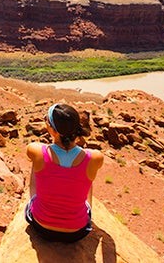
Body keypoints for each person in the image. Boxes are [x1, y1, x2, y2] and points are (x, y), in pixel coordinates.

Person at [25, 103, 104, 243]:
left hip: (41, 226)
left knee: (37, 164)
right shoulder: (94, 157)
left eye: (47, 120)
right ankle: (88, 209)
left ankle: (34, 201)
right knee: (88, 177)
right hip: (77, 232)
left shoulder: (35, 150)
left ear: (53, 130)